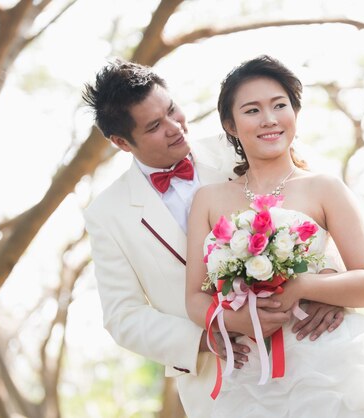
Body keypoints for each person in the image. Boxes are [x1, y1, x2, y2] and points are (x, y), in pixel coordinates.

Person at [185, 55, 364, 417]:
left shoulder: (324, 187)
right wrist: (233, 320)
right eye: (252, 110)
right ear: (230, 125)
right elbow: (194, 297)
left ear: (295, 113)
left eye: (279, 105)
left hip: (331, 362)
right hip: (252, 373)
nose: (269, 119)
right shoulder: (209, 199)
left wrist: (303, 287)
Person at [81, 58, 345, 418]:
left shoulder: (240, 138)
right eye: (156, 126)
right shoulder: (107, 214)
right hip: (219, 382)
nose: (176, 127)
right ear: (121, 142)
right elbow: (122, 316)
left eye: (173, 109)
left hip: (308, 345)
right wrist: (205, 338)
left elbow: (315, 202)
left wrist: (327, 281)